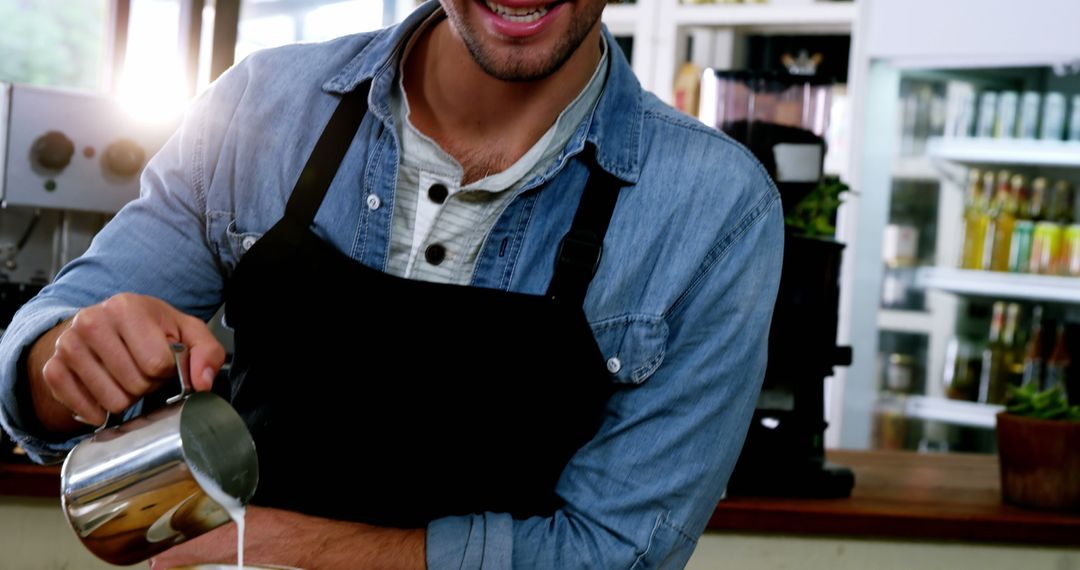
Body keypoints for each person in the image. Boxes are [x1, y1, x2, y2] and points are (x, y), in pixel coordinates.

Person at [0, 0, 783, 567]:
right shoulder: (260, 106)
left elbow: (617, 555)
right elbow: (42, 353)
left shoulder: (715, 211)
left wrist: (303, 552)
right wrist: (64, 358)